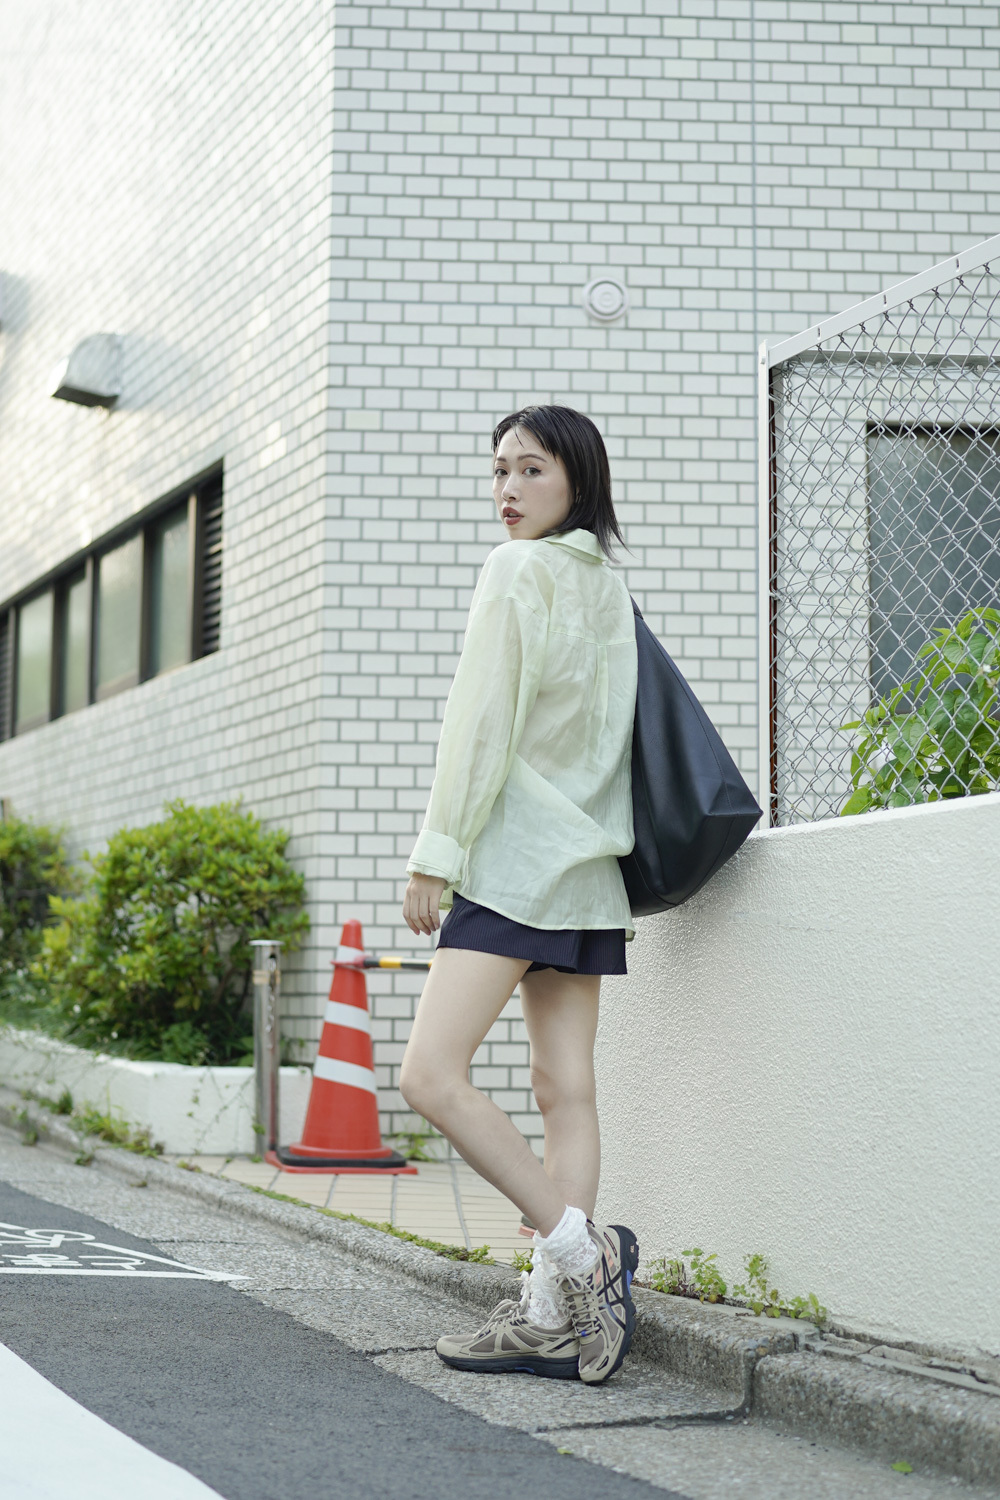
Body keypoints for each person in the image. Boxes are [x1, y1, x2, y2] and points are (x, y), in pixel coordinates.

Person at [399, 405, 639, 1385]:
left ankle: (584, 1258)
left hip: (513, 863)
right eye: (499, 470)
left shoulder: (516, 570)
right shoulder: (608, 586)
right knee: (563, 1090)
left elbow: (480, 723)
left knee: (428, 1075)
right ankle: (548, 1317)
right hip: (588, 868)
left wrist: (437, 852)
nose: (507, 489)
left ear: (577, 479)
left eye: (530, 469)